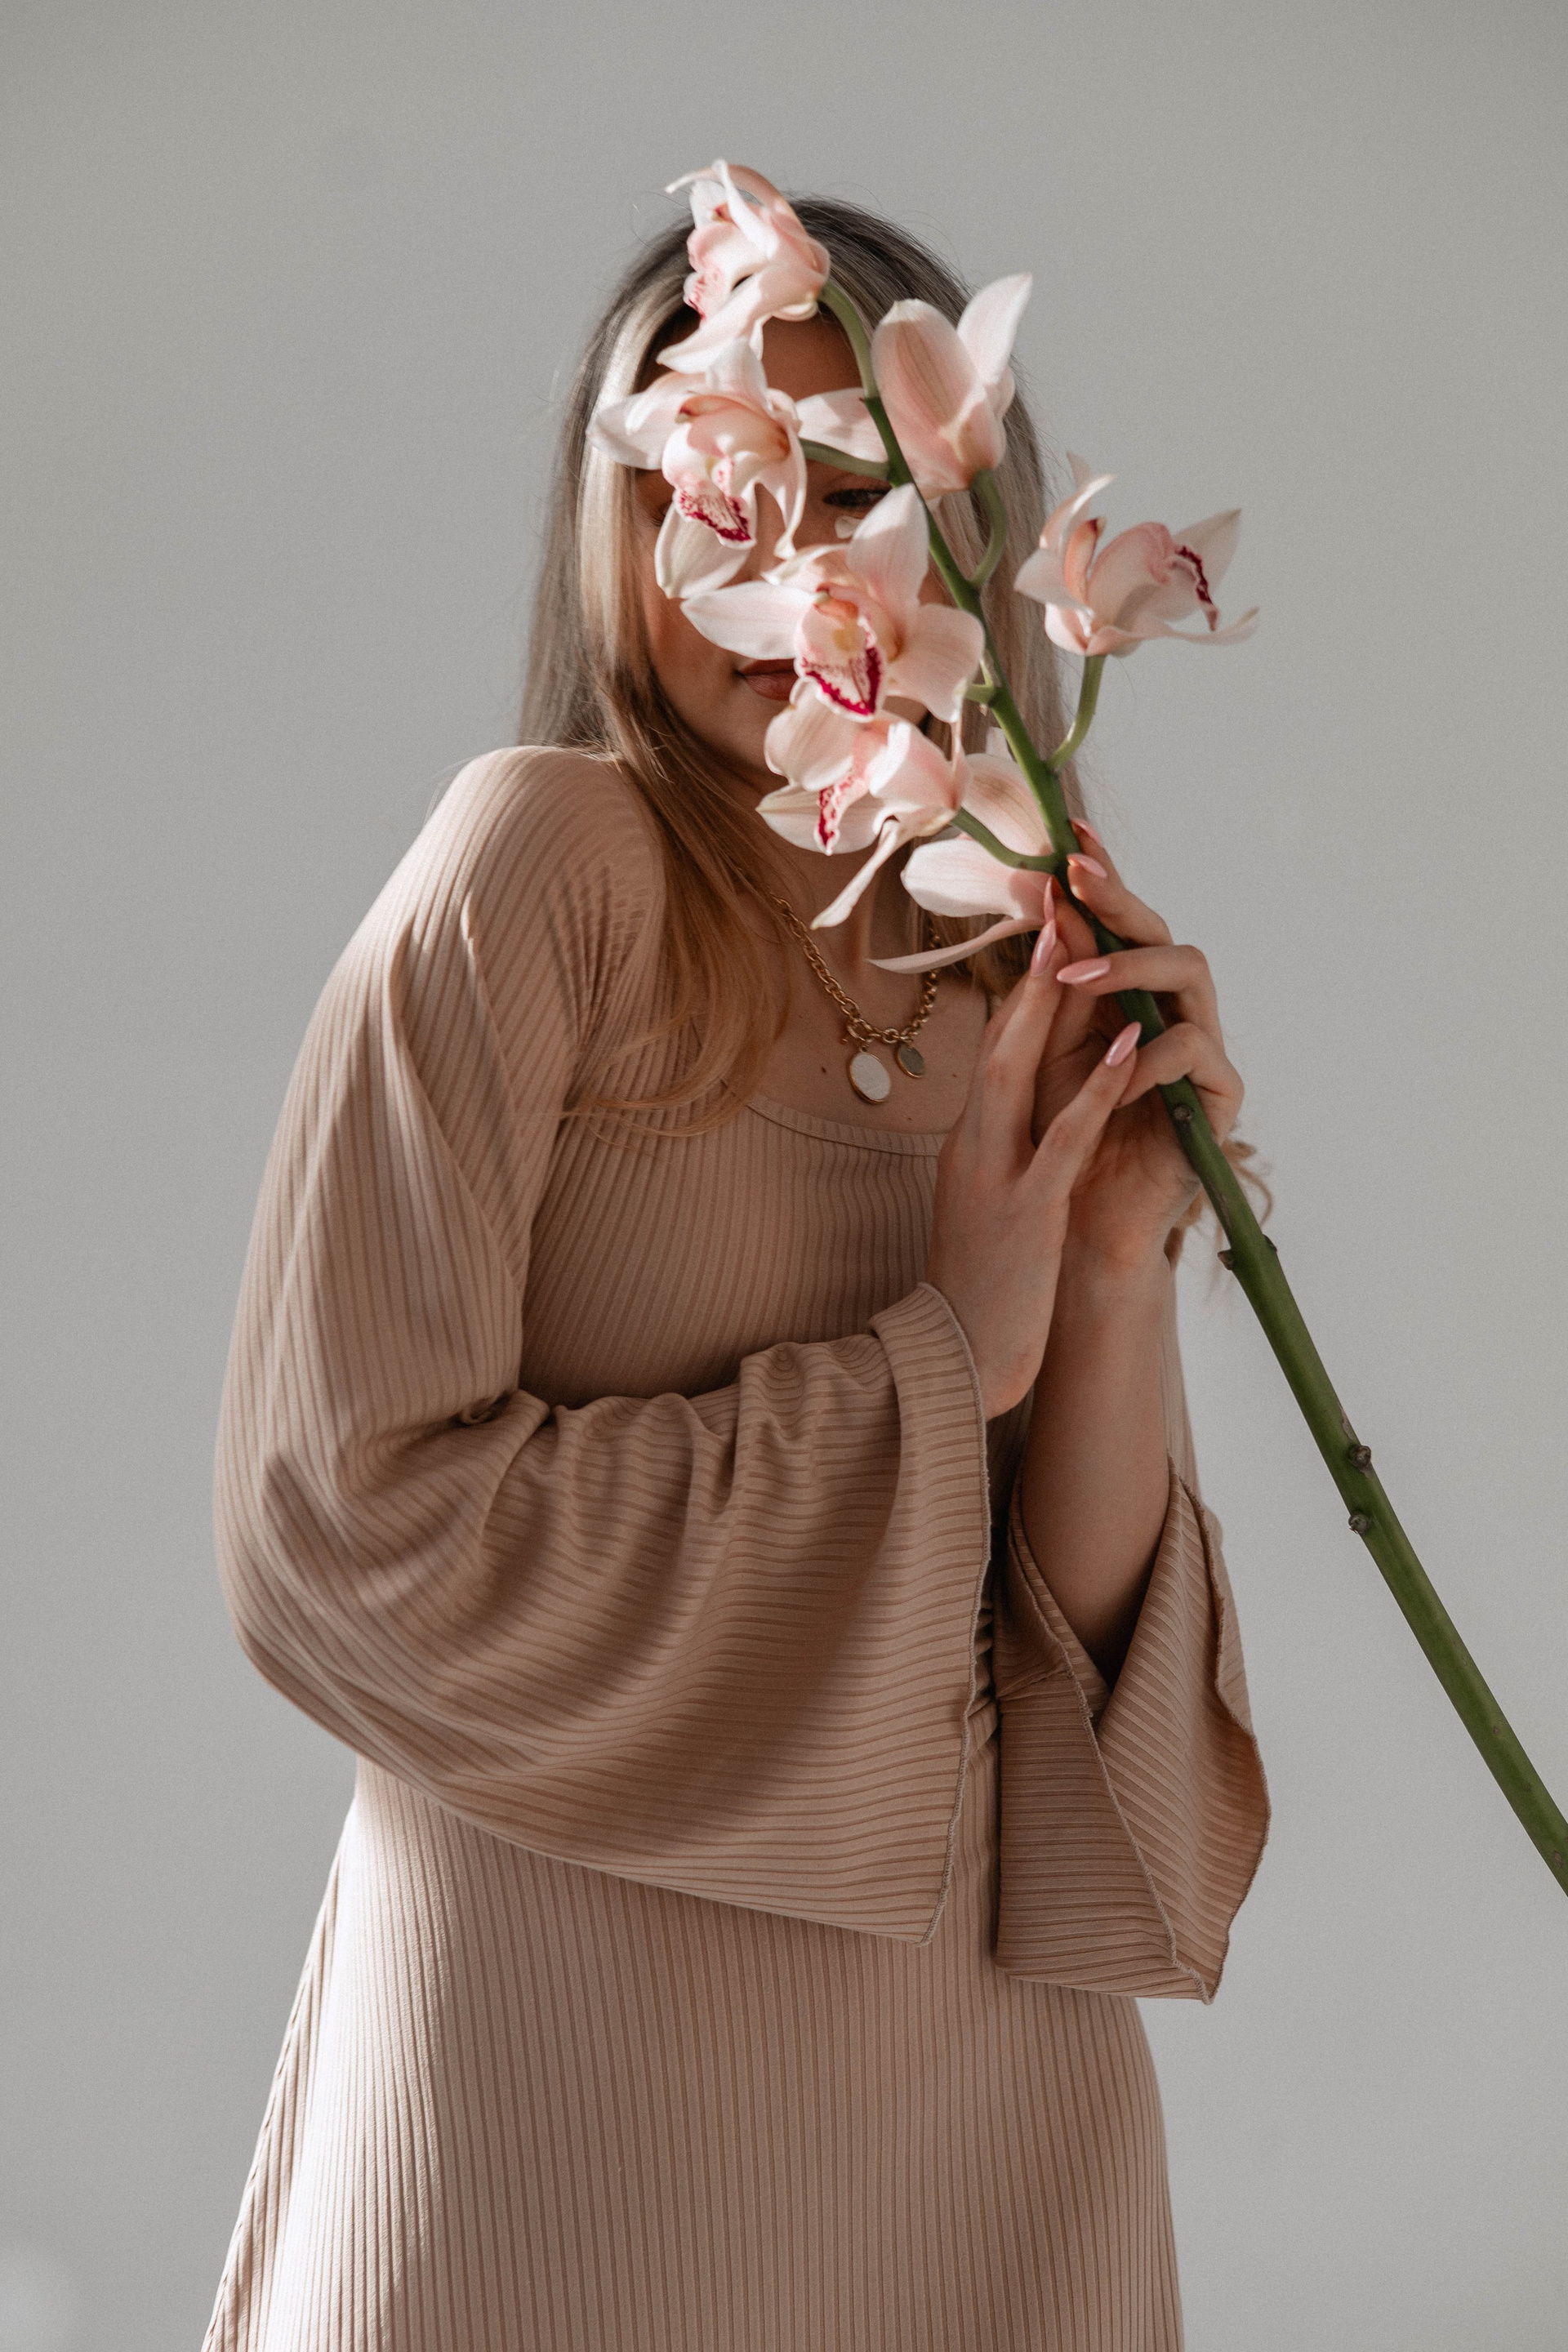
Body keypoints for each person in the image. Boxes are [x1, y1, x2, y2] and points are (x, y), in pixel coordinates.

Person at [204, 195, 1269, 2352]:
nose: (784, 559)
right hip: (550, 2112)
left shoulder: (1012, 960)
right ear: (611, 529)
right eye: (711, 483)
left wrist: (1120, 1274)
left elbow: (1081, 1766)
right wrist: (941, 1358)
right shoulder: (538, 867)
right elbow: (336, 1523)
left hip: (989, 2144)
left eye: (851, 484)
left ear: (968, 528)